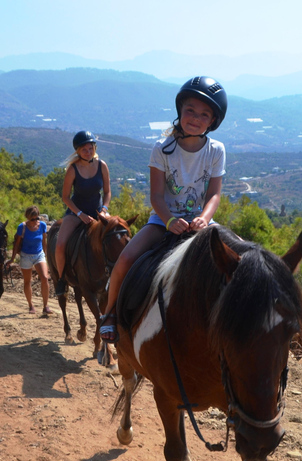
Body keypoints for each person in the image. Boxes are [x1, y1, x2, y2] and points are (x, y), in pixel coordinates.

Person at [98, 76, 228, 341]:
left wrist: (204, 218)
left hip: (200, 223)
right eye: (190, 110)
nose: (195, 117)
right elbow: (156, 195)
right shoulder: (162, 149)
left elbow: (214, 194)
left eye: (204, 114)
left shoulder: (216, 150)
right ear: (180, 110)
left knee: (236, 259)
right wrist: (169, 221)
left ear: (212, 121)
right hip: (162, 221)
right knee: (125, 260)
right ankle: (110, 313)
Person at [53, 130, 112, 296]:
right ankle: (62, 279)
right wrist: (80, 214)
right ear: (77, 151)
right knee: (60, 245)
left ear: (95, 147)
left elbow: (107, 192)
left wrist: (104, 209)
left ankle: (115, 274)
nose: (88, 151)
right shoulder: (72, 169)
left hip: (98, 211)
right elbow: (65, 197)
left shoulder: (102, 166)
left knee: (116, 237)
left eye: (90, 148)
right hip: (76, 212)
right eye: (84, 149)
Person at [7, 205, 52, 315]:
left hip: (39, 254)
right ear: (28, 218)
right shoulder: (21, 227)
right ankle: (30, 305)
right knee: (27, 281)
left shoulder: (42, 225)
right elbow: (16, 244)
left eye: (37, 218)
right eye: (33, 219)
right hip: (26, 256)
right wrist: (12, 259)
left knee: (45, 278)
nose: (35, 220)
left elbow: (44, 242)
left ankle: (45, 306)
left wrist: (45, 256)